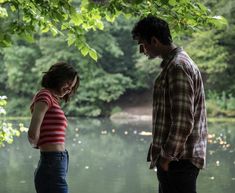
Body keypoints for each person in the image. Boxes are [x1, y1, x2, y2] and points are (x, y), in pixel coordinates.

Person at [132, 16, 207, 193]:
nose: (142, 51)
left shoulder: (177, 67)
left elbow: (183, 121)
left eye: (142, 45)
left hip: (178, 161)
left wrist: (166, 157)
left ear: (154, 41)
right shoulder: (174, 65)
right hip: (176, 160)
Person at [28, 61, 79, 193]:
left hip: (56, 160)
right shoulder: (44, 95)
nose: (69, 89)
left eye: (72, 87)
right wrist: (38, 144)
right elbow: (33, 133)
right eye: (68, 83)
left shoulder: (52, 98)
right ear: (58, 78)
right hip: (52, 161)